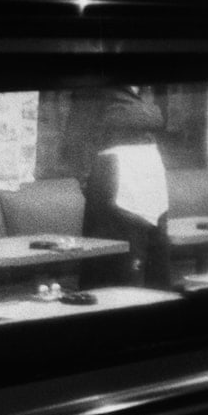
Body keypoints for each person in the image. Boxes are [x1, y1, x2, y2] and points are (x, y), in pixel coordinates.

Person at [75, 85, 172, 290]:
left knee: (156, 256)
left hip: (151, 179)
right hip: (116, 181)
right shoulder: (99, 89)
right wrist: (91, 180)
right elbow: (78, 136)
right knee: (126, 259)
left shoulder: (146, 90)